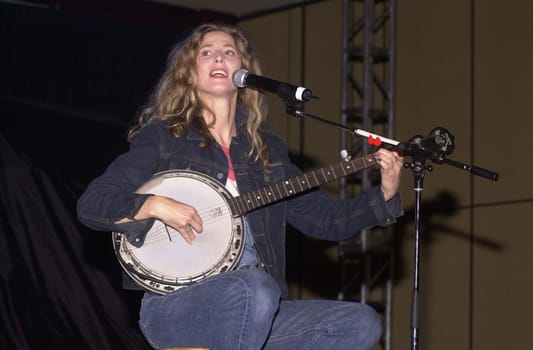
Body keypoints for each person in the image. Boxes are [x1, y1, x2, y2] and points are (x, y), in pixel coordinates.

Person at [77, 23, 404, 350]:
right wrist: (153, 205)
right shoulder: (164, 137)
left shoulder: (266, 150)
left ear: (243, 72)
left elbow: (324, 219)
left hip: (258, 309)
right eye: (206, 53)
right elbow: (93, 203)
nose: (218, 57)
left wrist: (384, 195)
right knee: (255, 289)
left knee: (359, 323)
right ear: (190, 73)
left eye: (228, 52)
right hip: (176, 307)